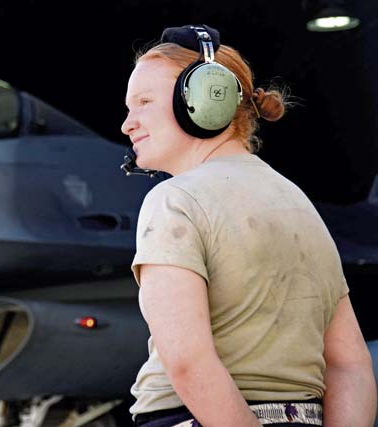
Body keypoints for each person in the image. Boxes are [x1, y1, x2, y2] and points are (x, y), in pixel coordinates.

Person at [121, 24, 376, 427]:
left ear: (207, 97)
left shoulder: (174, 200)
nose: (127, 124)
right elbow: (350, 365)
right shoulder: (298, 203)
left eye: (144, 102)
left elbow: (187, 361)